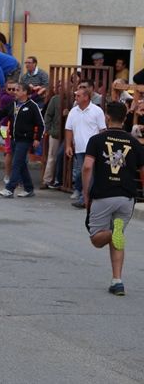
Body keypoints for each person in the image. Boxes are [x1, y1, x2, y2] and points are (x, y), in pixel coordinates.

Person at [82, 101, 144, 296]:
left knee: (97, 238)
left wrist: (85, 193)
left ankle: (112, 233)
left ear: (107, 117)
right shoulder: (134, 142)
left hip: (104, 194)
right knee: (119, 237)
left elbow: (87, 167)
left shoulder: (96, 140)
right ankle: (117, 281)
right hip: (127, 196)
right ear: (125, 119)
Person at [0, 83, 44, 198]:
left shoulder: (32, 106)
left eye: (17, 90)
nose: (15, 92)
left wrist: (37, 139)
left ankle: (9, 189)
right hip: (13, 138)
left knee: (16, 163)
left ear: (25, 92)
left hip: (25, 140)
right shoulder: (13, 104)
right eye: (14, 90)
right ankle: (29, 188)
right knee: (21, 164)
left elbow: (41, 124)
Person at [65, 86, 107, 208]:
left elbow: (102, 130)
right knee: (81, 173)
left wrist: (101, 147)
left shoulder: (97, 111)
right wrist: (68, 145)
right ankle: (85, 196)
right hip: (79, 148)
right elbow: (68, 129)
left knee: (88, 173)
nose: (76, 98)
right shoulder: (73, 111)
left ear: (86, 97)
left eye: (78, 96)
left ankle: (85, 199)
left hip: (93, 149)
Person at [42, 79, 66, 188]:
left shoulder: (73, 99)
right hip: (55, 133)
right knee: (52, 157)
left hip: (68, 134)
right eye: (58, 86)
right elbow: (48, 115)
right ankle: (47, 180)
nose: (59, 88)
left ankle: (62, 181)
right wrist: (48, 130)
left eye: (62, 86)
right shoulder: (55, 99)